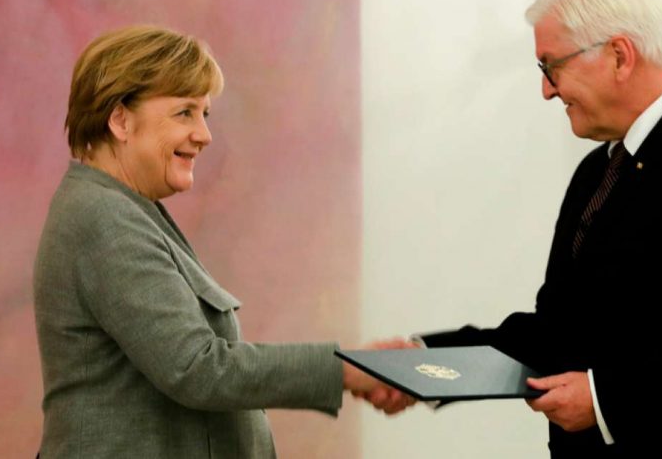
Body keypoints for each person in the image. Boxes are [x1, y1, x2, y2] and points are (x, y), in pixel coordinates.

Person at [33, 25, 412, 458]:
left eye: (204, 114)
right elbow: (197, 368)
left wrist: (360, 368)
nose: (204, 134)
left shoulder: (123, 208)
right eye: (184, 113)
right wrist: (349, 370)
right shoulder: (103, 217)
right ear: (120, 120)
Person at [416, 0, 662, 457]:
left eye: (551, 66)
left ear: (619, 55)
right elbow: (559, 330)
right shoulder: (597, 172)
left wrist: (608, 402)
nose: (547, 90)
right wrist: (421, 363)